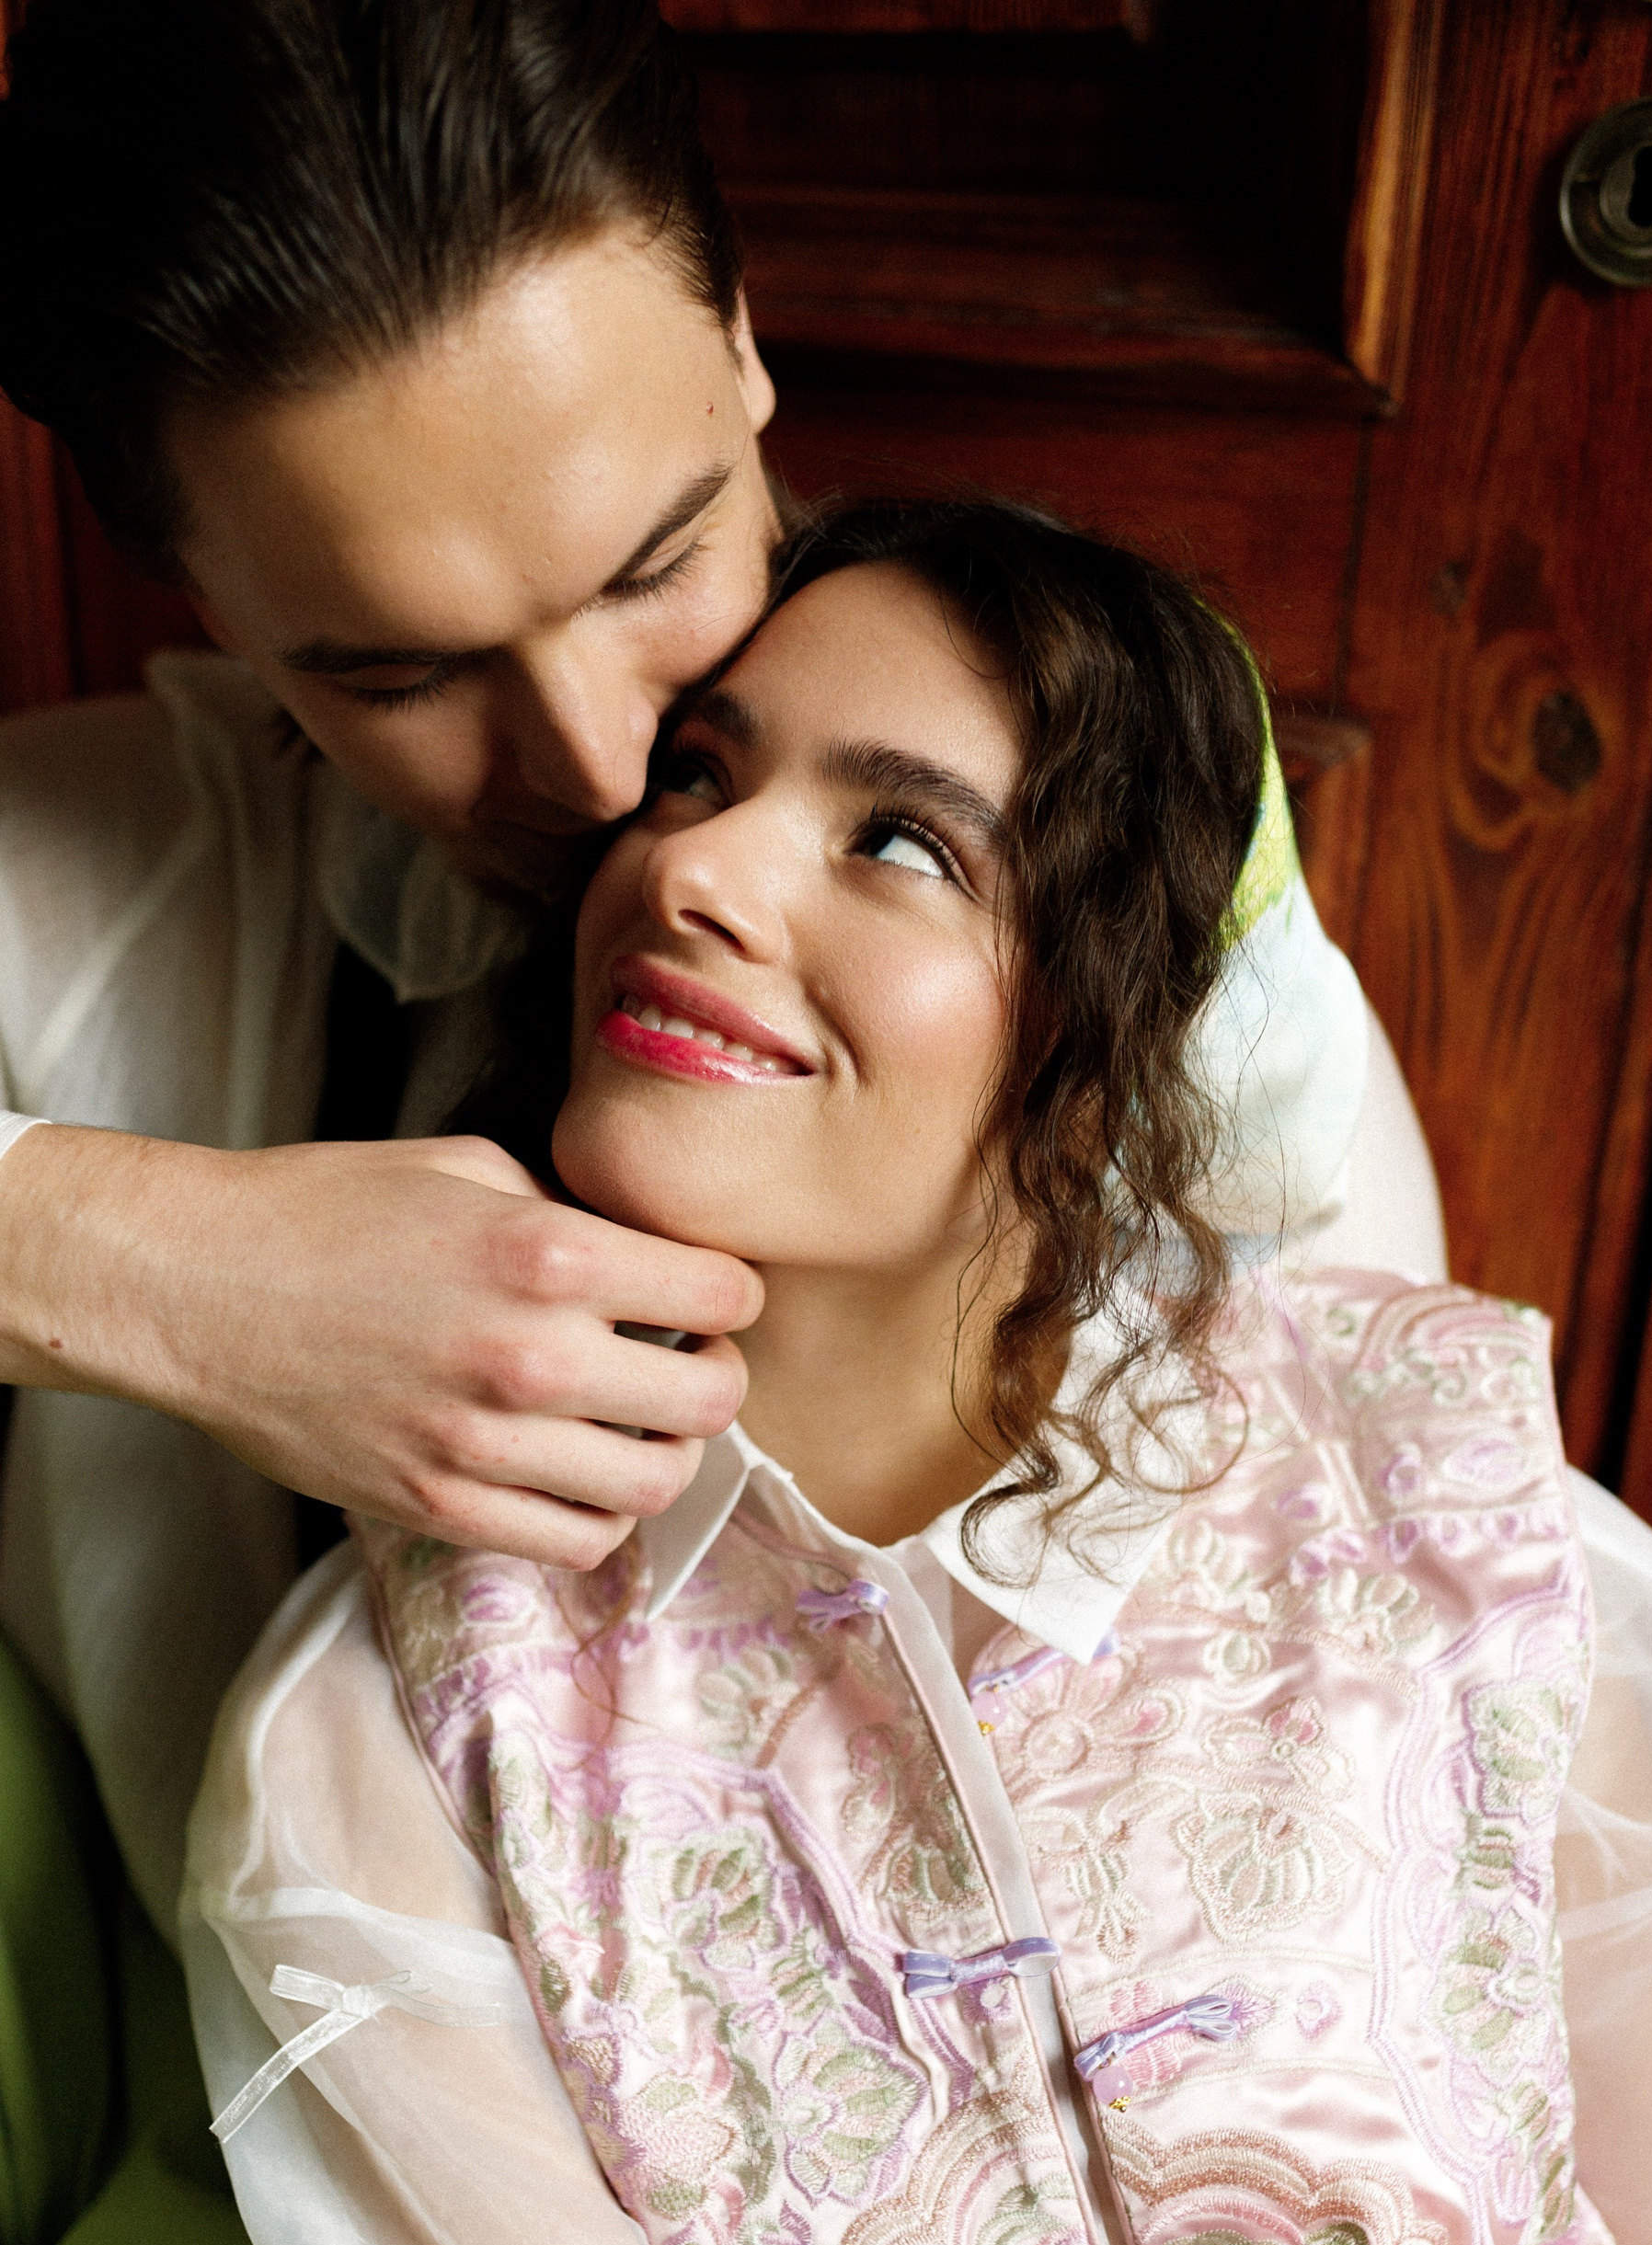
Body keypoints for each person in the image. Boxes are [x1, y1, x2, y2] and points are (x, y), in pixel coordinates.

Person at [184, 500, 1652, 2245]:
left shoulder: (1437, 1497)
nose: (694, 871)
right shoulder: (389, 1733)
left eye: (902, 841)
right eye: (697, 777)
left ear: (1107, 1021)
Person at [0, 0, 1439, 1948]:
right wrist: (163, 1275)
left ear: (744, 344)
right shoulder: (140, 862)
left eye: (652, 565)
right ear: (215, 603)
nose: (606, 769)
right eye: (403, 672)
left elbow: (1397, 1691)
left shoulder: (1141, 901)